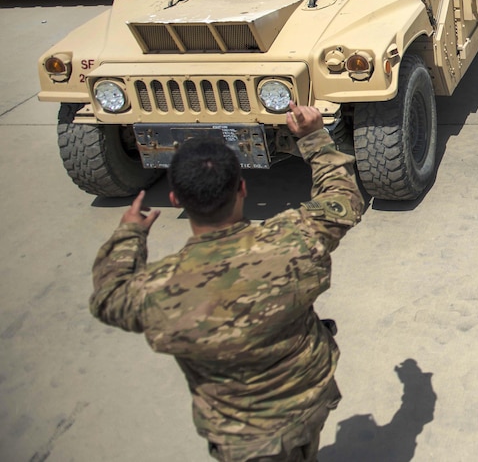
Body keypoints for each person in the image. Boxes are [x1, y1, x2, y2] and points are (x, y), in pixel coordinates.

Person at [90, 102, 365, 462]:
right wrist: (312, 137)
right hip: (311, 401)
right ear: (242, 189)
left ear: (176, 199)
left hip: (246, 440)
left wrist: (129, 235)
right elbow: (341, 200)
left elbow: (109, 298)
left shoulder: (156, 291)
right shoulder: (293, 240)